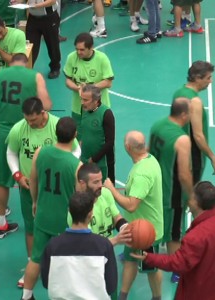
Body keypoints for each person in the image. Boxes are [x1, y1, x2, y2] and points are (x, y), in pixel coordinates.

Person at [6, 97, 80, 287]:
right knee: (31, 228)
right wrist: (17, 175)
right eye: (27, 120)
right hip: (28, 186)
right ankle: (33, 261)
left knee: (62, 228)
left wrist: (61, 166)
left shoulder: (57, 126)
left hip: (54, 190)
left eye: (33, 120)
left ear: (42, 113)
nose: (29, 123)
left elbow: (76, 150)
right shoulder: (19, 128)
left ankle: (59, 266)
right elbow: (11, 152)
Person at [132, 181, 215, 300]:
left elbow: (177, 263)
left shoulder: (196, 237)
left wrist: (149, 257)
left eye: (192, 196)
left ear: (196, 203)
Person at [0, 53, 52, 239]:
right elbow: (46, 105)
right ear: (25, 63)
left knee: (2, 178)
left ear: (10, 63)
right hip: (27, 130)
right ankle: (41, 218)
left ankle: (1, 223)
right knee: (36, 172)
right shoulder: (34, 76)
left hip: (3, 130)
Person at [21, 117, 82, 300]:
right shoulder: (76, 165)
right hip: (63, 220)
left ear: (56, 133)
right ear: (75, 135)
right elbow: (79, 200)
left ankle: (26, 295)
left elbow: (33, 179)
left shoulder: (40, 152)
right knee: (67, 262)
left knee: (36, 258)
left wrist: (34, 202)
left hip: (43, 214)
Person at [104, 130, 163, 300]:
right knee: (130, 260)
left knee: (151, 267)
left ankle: (157, 297)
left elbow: (131, 205)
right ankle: (123, 296)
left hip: (147, 231)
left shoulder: (141, 174)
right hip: (134, 227)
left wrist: (112, 190)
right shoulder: (149, 160)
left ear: (127, 147)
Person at [41, 191, 118, 300]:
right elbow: (111, 286)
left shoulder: (52, 245)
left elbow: (46, 282)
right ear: (90, 215)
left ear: (69, 211)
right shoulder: (104, 246)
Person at [149, 97, 192, 282]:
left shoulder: (157, 125)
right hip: (171, 194)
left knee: (150, 225)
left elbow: (149, 151)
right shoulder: (182, 139)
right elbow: (183, 174)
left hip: (154, 188)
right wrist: (191, 196)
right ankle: (176, 271)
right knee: (174, 233)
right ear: (183, 114)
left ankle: (137, 254)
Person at [173, 61, 215, 184]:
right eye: (208, 78)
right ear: (198, 78)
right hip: (192, 155)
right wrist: (212, 157)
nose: (211, 81)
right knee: (189, 190)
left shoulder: (178, 92)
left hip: (177, 150)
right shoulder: (195, 101)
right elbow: (198, 136)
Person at [68, 162, 131, 247]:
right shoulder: (77, 209)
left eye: (101, 180)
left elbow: (117, 217)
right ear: (82, 183)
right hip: (89, 257)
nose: (100, 185)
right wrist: (116, 239)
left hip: (107, 252)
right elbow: (90, 244)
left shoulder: (106, 193)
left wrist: (125, 228)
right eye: (96, 182)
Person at [64, 32, 114, 131]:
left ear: (91, 47)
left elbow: (108, 82)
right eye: (77, 49)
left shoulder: (102, 58)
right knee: (79, 137)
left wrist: (88, 89)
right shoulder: (71, 57)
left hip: (99, 107)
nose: (78, 52)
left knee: (100, 136)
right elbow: (68, 80)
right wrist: (78, 88)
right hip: (78, 108)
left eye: (82, 50)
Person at [80, 84, 115, 184]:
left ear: (96, 100)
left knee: (104, 193)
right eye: (81, 99)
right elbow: (84, 130)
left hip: (102, 163)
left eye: (86, 100)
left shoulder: (106, 114)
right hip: (85, 159)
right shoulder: (84, 109)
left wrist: (94, 159)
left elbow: (110, 143)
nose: (82, 102)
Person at [26, 0, 61, 79]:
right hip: (33, 18)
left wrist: (38, 6)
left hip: (49, 17)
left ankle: (55, 67)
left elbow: (52, 1)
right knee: (30, 45)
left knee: (52, 44)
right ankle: (28, 68)